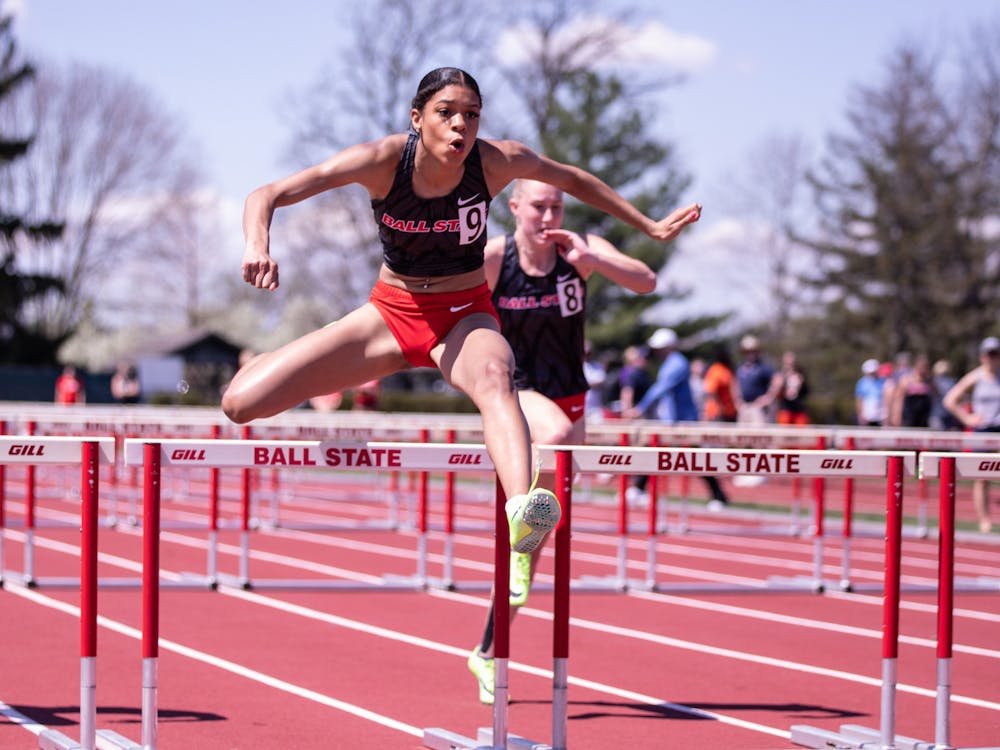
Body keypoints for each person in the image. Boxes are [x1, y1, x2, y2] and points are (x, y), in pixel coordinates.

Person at [219, 66, 701, 676]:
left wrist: (648, 226)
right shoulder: (380, 161)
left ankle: (525, 510)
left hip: (464, 318)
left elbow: (572, 178)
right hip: (390, 314)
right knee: (240, 403)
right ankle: (264, 363)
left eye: (472, 114)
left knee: (498, 379)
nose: (461, 125)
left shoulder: (496, 163)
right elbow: (264, 194)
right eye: (448, 112)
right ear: (417, 118)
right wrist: (257, 243)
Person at [467, 178, 660, 703]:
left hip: (573, 398)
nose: (549, 215)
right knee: (548, 439)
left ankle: (485, 653)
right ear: (514, 208)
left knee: (527, 553)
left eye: (557, 205)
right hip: (517, 395)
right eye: (539, 206)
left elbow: (646, 280)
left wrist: (594, 259)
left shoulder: (580, 251)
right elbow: (450, 304)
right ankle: (522, 535)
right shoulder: (494, 259)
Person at [625, 328, 730, 509]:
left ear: (670, 347)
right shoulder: (668, 363)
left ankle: (719, 496)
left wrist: (641, 408)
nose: (657, 351)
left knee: (695, 458)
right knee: (654, 449)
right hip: (672, 420)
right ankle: (639, 488)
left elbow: (661, 388)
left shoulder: (677, 363)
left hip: (684, 420)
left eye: (661, 347)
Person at [943, 336, 1000, 533]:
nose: (993, 358)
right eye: (989, 354)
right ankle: (984, 520)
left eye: (996, 353)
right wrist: (967, 418)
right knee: (982, 476)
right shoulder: (975, 377)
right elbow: (950, 399)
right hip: (983, 429)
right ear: (982, 356)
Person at [735, 335, 776, 424]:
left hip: (758, 409)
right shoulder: (740, 368)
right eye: (747, 351)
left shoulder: (763, 367)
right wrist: (738, 401)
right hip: (744, 407)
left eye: (752, 351)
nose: (750, 354)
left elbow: (777, 380)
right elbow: (736, 384)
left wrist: (768, 397)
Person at [891, 353, 935, 428]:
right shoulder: (906, 380)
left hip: (923, 417)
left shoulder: (929, 382)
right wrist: (896, 415)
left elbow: (935, 396)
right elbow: (898, 399)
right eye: (921, 366)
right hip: (909, 416)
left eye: (925, 366)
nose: (923, 369)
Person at [702, 346, 739, 423]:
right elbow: (711, 391)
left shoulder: (726, 369)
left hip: (729, 413)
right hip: (718, 414)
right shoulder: (716, 370)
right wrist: (720, 407)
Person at [773, 350, 810, 425]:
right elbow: (776, 396)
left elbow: (806, 392)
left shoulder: (800, 374)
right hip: (785, 410)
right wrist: (780, 385)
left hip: (799, 410)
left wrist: (801, 384)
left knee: (801, 433)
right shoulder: (780, 375)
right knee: (785, 434)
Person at [855, 358, 886, 426]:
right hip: (867, 415)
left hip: (881, 416)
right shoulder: (862, 383)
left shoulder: (883, 381)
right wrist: (860, 415)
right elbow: (859, 400)